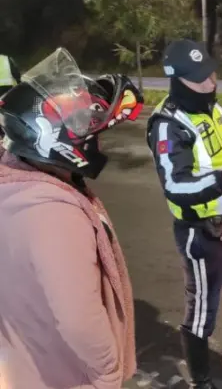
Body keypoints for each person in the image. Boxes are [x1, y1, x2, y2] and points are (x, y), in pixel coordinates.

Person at [0, 48, 144, 388]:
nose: (99, 144)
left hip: (26, 365)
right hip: (64, 375)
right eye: (93, 136)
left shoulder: (14, 186)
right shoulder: (53, 212)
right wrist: (107, 374)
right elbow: (78, 318)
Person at [147, 39, 222, 388]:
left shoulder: (212, 107)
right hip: (201, 233)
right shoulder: (167, 124)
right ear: (178, 80)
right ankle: (201, 380)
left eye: (212, 74)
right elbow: (176, 185)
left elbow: (216, 151)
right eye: (200, 79)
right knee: (203, 310)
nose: (210, 83)